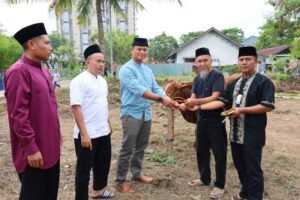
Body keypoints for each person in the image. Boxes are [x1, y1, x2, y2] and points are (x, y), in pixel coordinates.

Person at [199, 46, 275, 200]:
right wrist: (197, 106)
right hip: (235, 134)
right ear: (238, 62)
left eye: (248, 59)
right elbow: (222, 101)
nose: (244, 62)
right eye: (241, 59)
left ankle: (254, 197)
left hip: (253, 134)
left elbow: (267, 106)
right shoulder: (235, 83)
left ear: (256, 61)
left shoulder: (264, 82)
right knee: (240, 167)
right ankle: (244, 193)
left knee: (253, 169)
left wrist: (242, 110)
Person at [4, 23, 61, 200]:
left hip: (51, 146)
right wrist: (31, 148)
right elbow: (18, 116)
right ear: (31, 44)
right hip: (34, 153)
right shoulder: (18, 71)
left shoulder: (43, 70)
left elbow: (49, 108)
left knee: (50, 194)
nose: (50, 48)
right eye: (47, 43)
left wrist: (56, 135)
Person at [115, 37, 179, 194]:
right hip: (131, 113)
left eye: (144, 49)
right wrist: (161, 100)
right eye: (139, 49)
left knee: (141, 147)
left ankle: (136, 174)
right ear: (132, 50)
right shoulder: (126, 70)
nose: (142, 52)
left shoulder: (148, 70)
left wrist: (169, 99)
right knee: (127, 148)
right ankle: (120, 180)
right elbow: (138, 90)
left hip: (146, 113)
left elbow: (155, 87)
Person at [180, 47, 227, 199]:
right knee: (201, 150)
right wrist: (186, 103)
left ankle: (219, 185)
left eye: (205, 60)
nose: (202, 63)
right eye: (199, 61)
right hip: (201, 120)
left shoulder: (218, 76)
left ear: (211, 60)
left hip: (216, 120)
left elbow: (215, 97)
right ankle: (204, 178)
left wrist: (195, 102)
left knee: (219, 153)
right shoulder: (196, 79)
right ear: (196, 63)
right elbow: (193, 95)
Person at [70, 44, 113, 200]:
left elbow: (103, 104)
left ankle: (98, 192)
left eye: (103, 61)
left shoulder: (102, 81)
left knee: (103, 164)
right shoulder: (79, 81)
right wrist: (84, 133)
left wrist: (108, 123)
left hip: (103, 131)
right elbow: (76, 107)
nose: (101, 64)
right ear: (88, 62)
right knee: (84, 170)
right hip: (87, 134)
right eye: (98, 61)